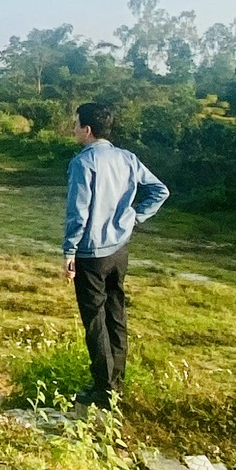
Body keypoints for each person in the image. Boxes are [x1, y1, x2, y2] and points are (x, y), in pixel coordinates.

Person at [60, 101, 169, 409]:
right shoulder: (128, 158)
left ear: (87, 129)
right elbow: (159, 190)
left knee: (95, 320)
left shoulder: (83, 163)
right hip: (119, 250)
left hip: (91, 254)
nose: (74, 129)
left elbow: (78, 212)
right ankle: (115, 381)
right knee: (116, 315)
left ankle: (104, 390)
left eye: (76, 124)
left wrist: (69, 251)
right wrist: (134, 217)